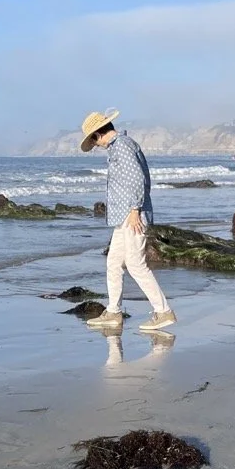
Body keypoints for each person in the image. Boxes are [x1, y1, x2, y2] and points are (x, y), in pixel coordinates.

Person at [78, 110, 176, 332]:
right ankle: (113, 312)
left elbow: (137, 180)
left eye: (93, 140)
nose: (95, 145)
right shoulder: (119, 146)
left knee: (135, 263)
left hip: (132, 214)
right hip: (124, 215)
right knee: (114, 262)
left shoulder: (121, 145)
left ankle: (163, 311)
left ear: (98, 134)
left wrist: (135, 209)